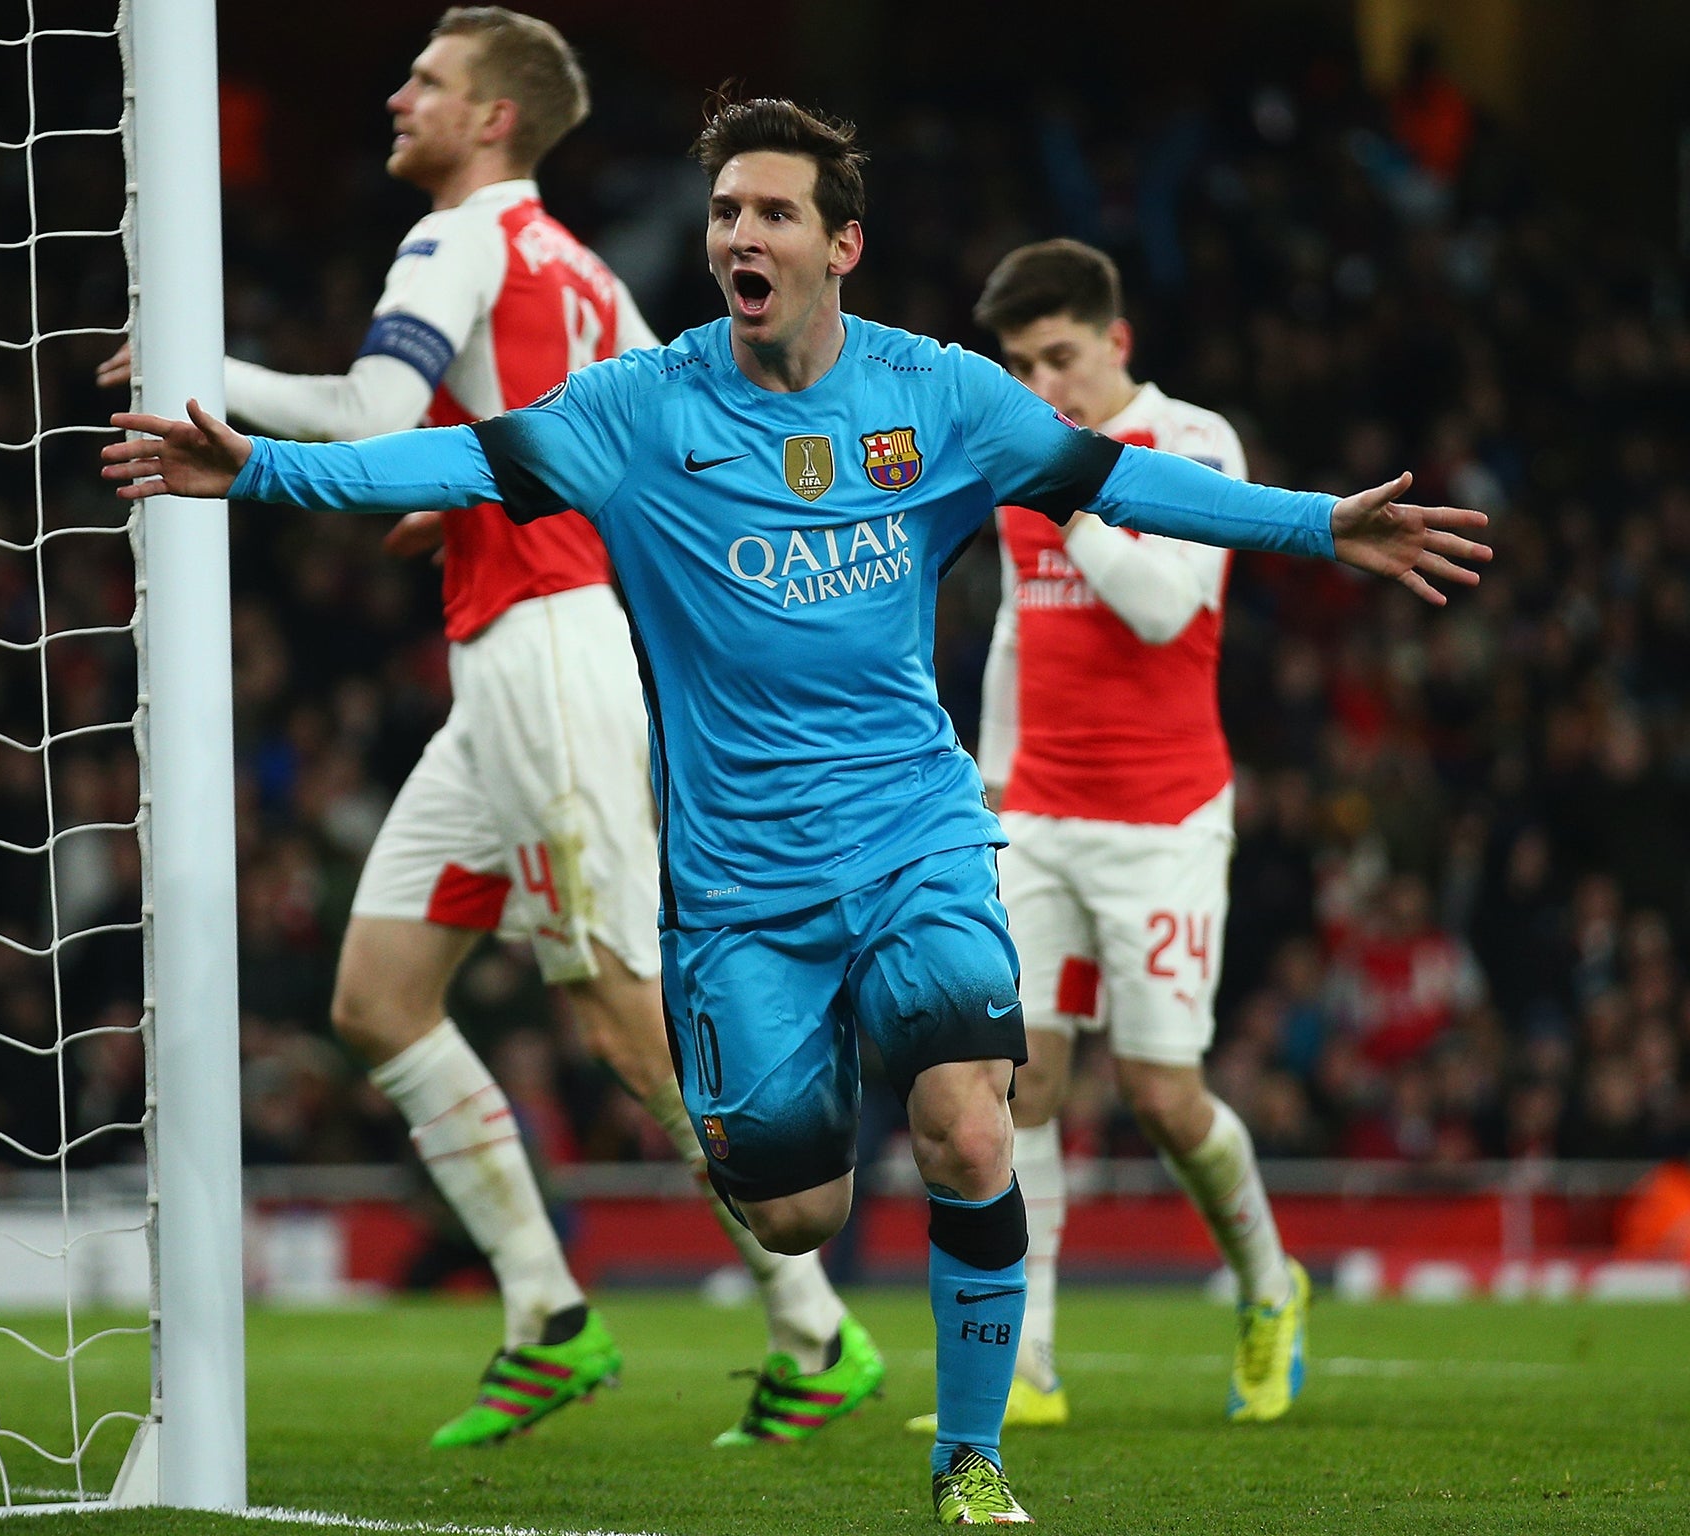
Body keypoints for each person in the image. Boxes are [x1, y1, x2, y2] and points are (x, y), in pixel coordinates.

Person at [101, 95, 1490, 1527]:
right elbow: (456, 460)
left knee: (968, 1122)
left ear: (843, 245)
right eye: (725, 213)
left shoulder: (939, 397)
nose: (740, 234)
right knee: (794, 1210)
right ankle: (811, 1188)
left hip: (914, 835)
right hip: (742, 887)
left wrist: (1323, 524)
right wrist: (257, 467)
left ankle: (969, 1461)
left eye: (772, 212)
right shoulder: (641, 413)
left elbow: (1121, 483)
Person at [100, 9, 873, 1450]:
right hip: (509, 657)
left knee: (616, 1001)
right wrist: (478, 491)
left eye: (430, 83)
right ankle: (546, 1310)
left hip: (546, 658)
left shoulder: (459, 240)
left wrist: (200, 372)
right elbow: (655, 441)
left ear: (496, 119)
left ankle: (814, 1322)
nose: (398, 96)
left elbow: (367, 402)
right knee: (380, 997)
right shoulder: (580, 271)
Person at [904, 237, 1305, 1443]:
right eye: (1021, 366)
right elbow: (1026, 639)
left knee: (1164, 1096)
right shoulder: (1030, 458)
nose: (1044, 387)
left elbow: (1163, 604)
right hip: (1037, 817)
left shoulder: (1191, 444)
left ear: (1115, 341)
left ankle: (1268, 1289)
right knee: (1019, 1078)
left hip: (1164, 823)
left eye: (1061, 358)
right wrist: (981, 794)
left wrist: (1060, 487)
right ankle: (1025, 1362)